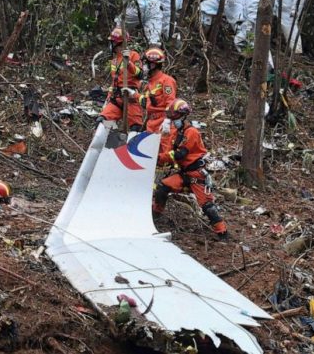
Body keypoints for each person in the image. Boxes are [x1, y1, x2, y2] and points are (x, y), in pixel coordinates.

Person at [153, 99, 228, 238]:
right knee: (162, 188)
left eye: (174, 117)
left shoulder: (191, 132)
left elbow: (180, 154)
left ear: (183, 116)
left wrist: (160, 158)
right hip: (184, 174)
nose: (172, 120)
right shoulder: (177, 132)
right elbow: (169, 149)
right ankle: (155, 216)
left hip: (196, 175)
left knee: (207, 207)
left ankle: (222, 233)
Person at [96, 27, 143, 131]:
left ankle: (128, 144)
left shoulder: (133, 55)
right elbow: (114, 82)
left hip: (130, 98)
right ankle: (106, 145)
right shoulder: (114, 60)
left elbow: (140, 74)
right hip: (116, 99)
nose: (110, 45)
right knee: (102, 121)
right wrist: (108, 99)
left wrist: (129, 63)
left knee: (136, 129)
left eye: (112, 42)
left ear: (118, 43)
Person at [234, 0, 274, 71]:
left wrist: (249, 25)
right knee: (243, 41)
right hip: (255, 22)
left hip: (253, 24)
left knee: (254, 44)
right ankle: (255, 61)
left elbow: (252, 8)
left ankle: (266, 67)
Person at [139, 45, 176, 133]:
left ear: (152, 65)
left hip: (162, 124)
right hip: (151, 123)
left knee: (164, 146)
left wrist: (167, 120)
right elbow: (148, 103)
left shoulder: (167, 81)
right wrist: (133, 94)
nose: (143, 66)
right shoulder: (150, 83)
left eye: (145, 63)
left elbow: (171, 103)